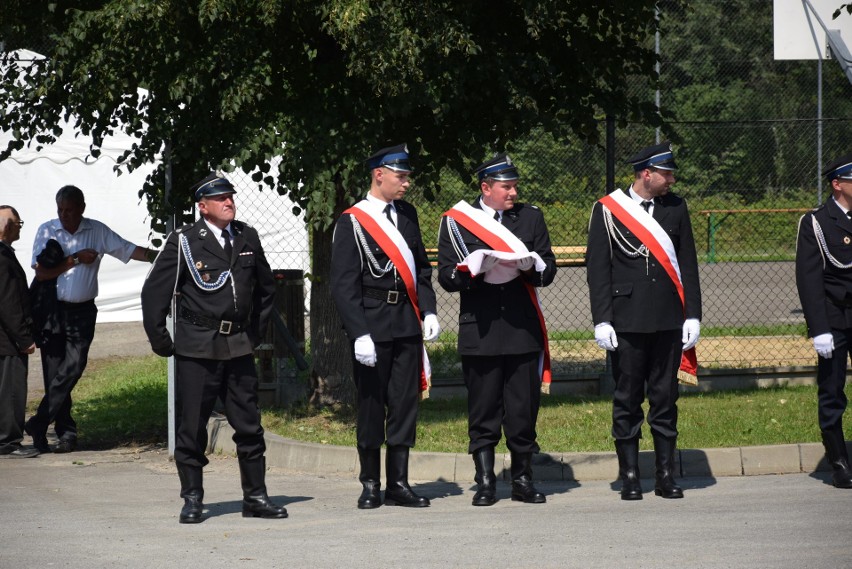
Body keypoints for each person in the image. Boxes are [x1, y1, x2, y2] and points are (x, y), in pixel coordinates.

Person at [141, 172, 288, 523]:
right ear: (202, 206)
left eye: (231, 197)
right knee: (191, 428)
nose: (229, 202)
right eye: (220, 198)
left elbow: (266, 290)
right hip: (197, 348)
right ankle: (192, 498)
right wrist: (163, 341)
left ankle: (255, 497)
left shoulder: (246, 236)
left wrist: (254, 334)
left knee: (249, 426)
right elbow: (154, 294)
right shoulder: (185, 242)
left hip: (237, 346)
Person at [437, 152, 557, 506]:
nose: (513, 193)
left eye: (515, 186)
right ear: (485, 187)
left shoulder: (531, 218)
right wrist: (471, 270)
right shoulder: (457, 221)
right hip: (482, 330)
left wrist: (531, 266)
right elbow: (445, 275)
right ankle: (486, 481)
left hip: (522, 329)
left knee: (522, 410)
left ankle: (522, 479)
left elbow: (547, 269)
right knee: (483, 408)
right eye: (507, 187)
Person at [585, 141, 701, 501]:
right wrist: (602, 319)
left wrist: (693, 314)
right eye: (666, 173)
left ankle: (665, 475)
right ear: (645, 174)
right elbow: (599, 268)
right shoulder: (608, 210)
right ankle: (630, 475)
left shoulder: (676, 207)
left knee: (665, 398)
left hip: (668, 318)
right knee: (628, 398)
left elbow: (688, 264)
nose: (672, 179)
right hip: (627, 320)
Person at [330, 143, 440, 509]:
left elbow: (421, 270)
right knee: (372, 405)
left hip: (406, 323)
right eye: (401, 176)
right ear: (379, 174)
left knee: (405, 404)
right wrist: (358, 332)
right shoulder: (352, 221)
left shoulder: (407, 215)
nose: (406, 183)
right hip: (373, 327)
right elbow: (345, 285)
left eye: (407, 176)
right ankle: (370, 483)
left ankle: (399, 483)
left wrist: (429, 311)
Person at [25, 186, 157, 454]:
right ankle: (63, 433)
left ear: (82, 208)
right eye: (60, 210)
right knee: (54, 374)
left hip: (82, 311)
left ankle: (39, 423)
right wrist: (74, 259)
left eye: (69, 210)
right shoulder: (47, 230)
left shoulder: (96, 230)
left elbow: (129, 249)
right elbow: (41, 274)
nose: (64, 215)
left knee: (72, 368)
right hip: (51, 310)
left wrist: (164, 257)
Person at [795, 152, 852, 489]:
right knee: (832, 392)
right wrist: (819, 329)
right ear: (838, 184)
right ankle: (839, 462)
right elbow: (809, 279)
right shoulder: (816, 223)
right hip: (834, 318)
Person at [0, 206, 39, 459]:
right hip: (7, 341)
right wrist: (24, 338)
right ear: (6, 225)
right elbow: (8, 303)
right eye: (17, 223)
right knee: (11, 391)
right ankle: (8, 440)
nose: (19, 227)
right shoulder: (2, 258)